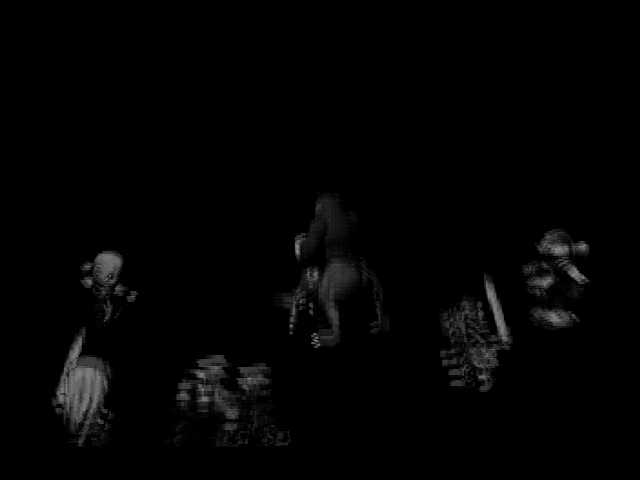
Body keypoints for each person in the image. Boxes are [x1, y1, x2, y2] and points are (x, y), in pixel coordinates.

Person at [53, 250, 138, 447]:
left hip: (95, 373)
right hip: (85, 371)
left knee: (84, 428)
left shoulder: (115, 306)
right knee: (79, 427)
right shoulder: (94, 308)